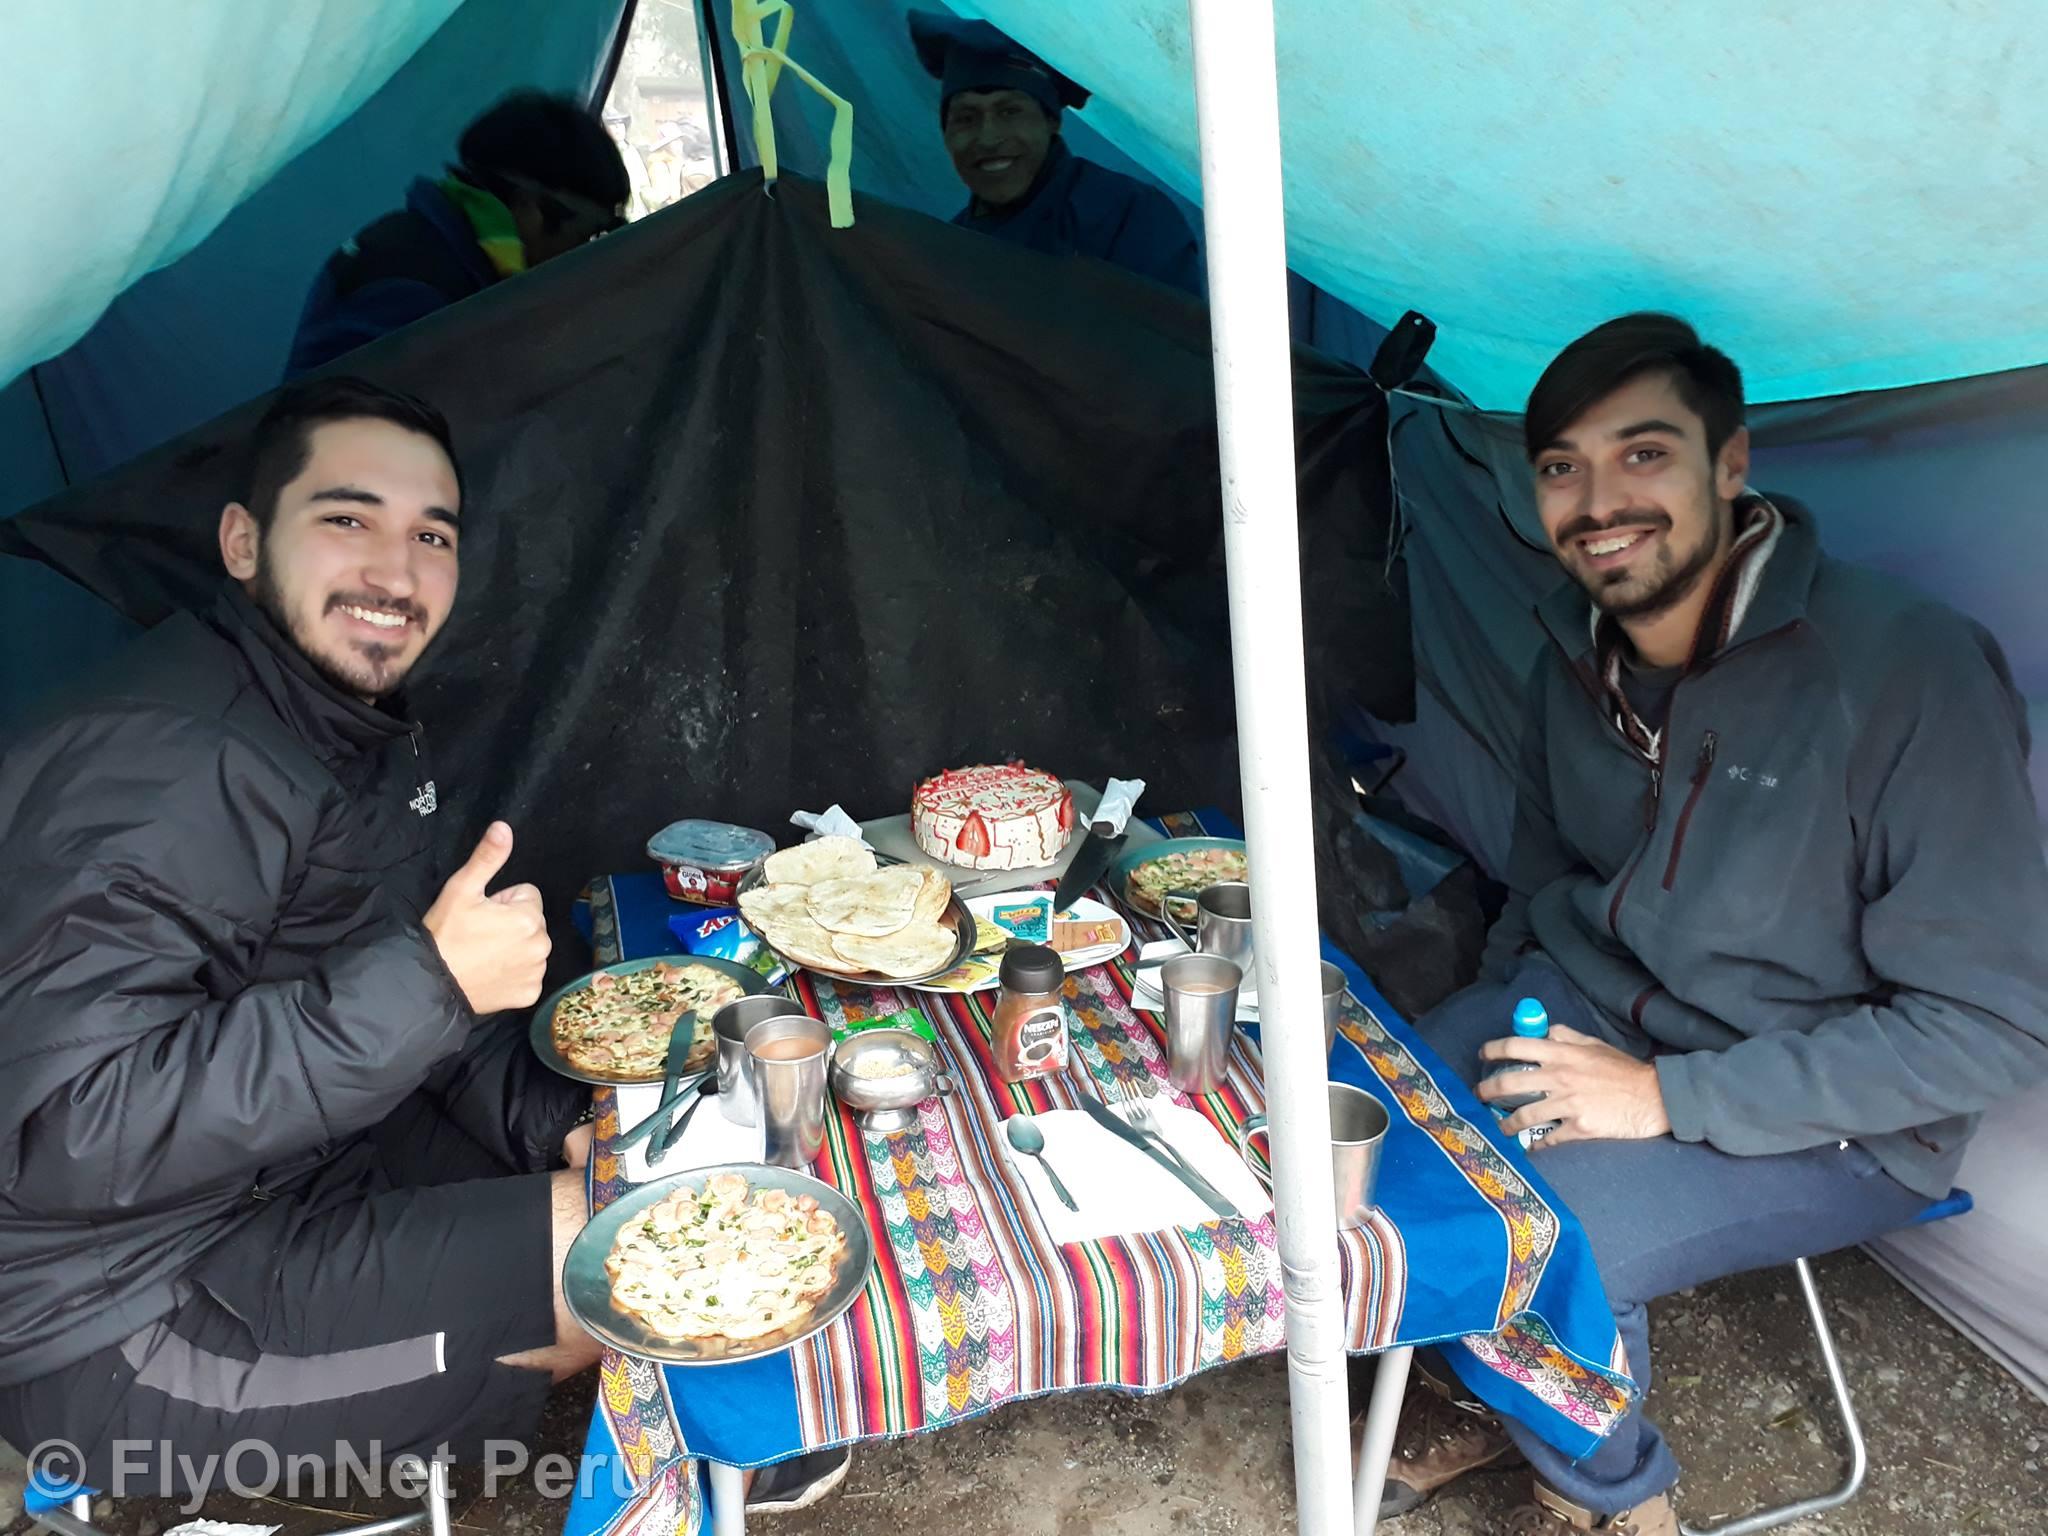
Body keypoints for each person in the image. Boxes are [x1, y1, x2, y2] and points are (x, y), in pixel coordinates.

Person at [1373, 314, 2048, 1534]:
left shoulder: (1904, 673)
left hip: (1830, 1110)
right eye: (1561, 467)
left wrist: (1663, 1100)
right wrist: (1511, 992)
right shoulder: (1566, 657)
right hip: (1593, 1007)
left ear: (1728, 465)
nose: (1597, 501)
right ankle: (1497, 1386)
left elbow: (1992, 1027)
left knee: (1541, 1234)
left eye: (1642, 455)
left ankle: (1611, 1495)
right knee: (1368, 1112)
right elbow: (1538, 875)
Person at [287, 91, 628, 377]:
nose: (582, 254)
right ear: (529, 208)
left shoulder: (438, 249)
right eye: (588, 235)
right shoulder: (417, 286)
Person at [907, 11, 1202, 297]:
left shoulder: (1128, 213)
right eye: (965, 118)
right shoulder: (948, 247)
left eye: (1010, 111)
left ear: (1052, 121)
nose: (987, 138)